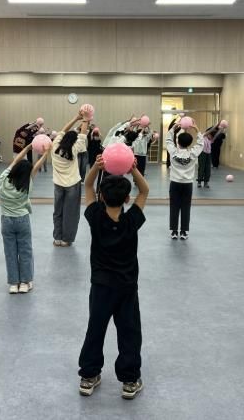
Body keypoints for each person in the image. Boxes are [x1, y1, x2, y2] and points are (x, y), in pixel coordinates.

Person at [78, 155, 149, 400]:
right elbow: (145, 190)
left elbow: (87, 185)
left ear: (102, 197)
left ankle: (89, 376)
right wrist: (133, 169)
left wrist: (96, 167)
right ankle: (129, 380)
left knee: (95, 329)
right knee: (129, 332)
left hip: (101, 287)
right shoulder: (132, 221)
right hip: (127, 288)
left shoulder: (95, 217)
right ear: (127, 199)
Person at [0, 144, 51, 294]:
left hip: (6, 221)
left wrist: (27, 149)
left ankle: (13, 284)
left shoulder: (3, 178)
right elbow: (36, 167)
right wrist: (46, 153)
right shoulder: (27, 182)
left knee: (10, 252)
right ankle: (25, 282)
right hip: (22, 220)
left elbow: (15, 161)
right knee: (25, 251)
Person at [52, 112, 89, 246]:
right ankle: (66, 240)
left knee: (58, 211)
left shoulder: (55, 144)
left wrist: (76, 118)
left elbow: (63, 129)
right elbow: (83, 134)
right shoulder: (74, 149)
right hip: (72, 184)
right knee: (71, 213)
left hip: (58, 184)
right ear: (73, 141)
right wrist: (85, 120)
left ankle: (57, 238)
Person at [166, 124, 203, 240]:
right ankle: (184, 232)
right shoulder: (193, 153)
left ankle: (174, 232)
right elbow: (200, 143)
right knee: (186, 207)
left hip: (175, 183)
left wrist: (173, 129)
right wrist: (197, 129)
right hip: (187, 184)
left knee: (174, 206)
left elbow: (168, 140)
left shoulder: (173, 152)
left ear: (178, 142)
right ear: (190, 143)